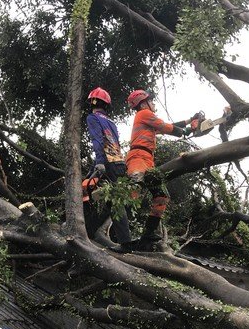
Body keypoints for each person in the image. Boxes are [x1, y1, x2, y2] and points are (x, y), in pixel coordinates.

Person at [124, 89, 197, 250]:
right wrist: (187, 130)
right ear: (144, 103)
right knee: (133, 189)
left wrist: (190, 121)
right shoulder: (144, 113)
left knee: (162, 196)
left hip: (148, 159)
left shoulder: (147, 118)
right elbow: (166, 127)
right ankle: (122, 237)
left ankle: (147, 234)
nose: (154, 104)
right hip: (138, 156)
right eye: (151, 101)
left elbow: (167, 126)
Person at [83, 87, 131, 244]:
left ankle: (124, 242)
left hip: (107, 162)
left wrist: (99, 163)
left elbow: (98, 140)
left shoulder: (92, 118)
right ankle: (92, 233)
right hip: (119, 163)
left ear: (92, 102)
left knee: (87, 193)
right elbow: (113, 143)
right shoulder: (112, 122)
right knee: (113, 201)